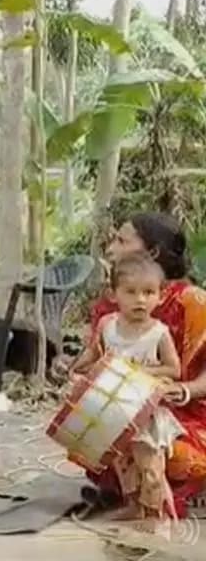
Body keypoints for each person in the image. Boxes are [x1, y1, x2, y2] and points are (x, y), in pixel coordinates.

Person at [81, 212, 206, 519]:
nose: (111, 248)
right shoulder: (113, 305)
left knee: (163, 452)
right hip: (125, 408)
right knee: (88, 438)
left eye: (121, 240)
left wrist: (185, 390)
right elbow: (94, 357)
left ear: (151, 252)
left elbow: (183, 374)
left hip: (184, 415)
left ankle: (163, 504)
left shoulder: (194, 302)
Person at [70, 253, 183, 531]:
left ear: (161, 295)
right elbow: (93, 355)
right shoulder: (107, 326)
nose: (140, 300)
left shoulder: (158, 332)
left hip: (145, 412)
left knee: (150, 466)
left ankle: (158, 517)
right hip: (115, 411)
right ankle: (134, 506)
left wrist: (135, 370)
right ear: (113, 294)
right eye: (131, 292)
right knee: (123, 464)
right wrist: (77, 370)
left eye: (148, 292)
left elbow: (174, 370)